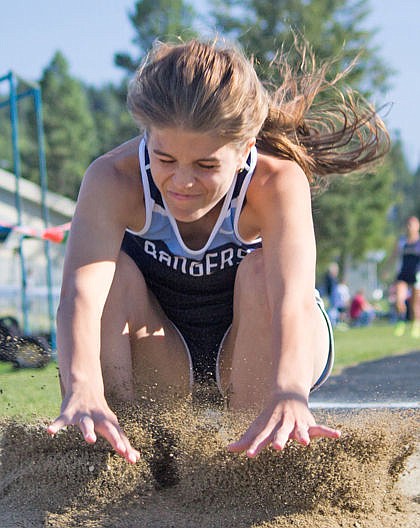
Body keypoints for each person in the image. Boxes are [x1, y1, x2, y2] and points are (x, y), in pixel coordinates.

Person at [47, 38, 389, 463]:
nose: (182, 183)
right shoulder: (112, 178)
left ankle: (261, 457)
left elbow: (293, 301)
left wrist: (289, 389)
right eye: (165, 159)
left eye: (206, 165)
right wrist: (83, 385)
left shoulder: (275, 182)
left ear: (246, 148)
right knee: (109, 275)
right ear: (146, 137)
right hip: (163, 354)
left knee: (262, 270)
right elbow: (78, 297)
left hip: (253, 345)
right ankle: (116, 449)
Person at [394, 216, 420, 337]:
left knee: (415, 304)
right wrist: (385, 270)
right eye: (408, 224)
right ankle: (401, 322)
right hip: (403, 273)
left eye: (412, 224)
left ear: (417, 226)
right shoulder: (402, 241)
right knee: (399, 300)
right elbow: (393, 256)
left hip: (416, 274)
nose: (409, 227)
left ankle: (416, 325)